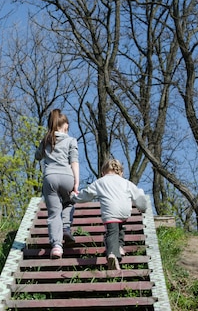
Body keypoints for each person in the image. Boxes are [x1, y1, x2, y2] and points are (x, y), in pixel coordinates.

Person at [70, 158, 147, 270]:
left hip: (111, 211)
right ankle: (119, 247)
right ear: (121, 172)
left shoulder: (101, 181)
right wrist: (142, 208)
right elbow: (138, 195)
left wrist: (74, 197)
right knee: (120, 228)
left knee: (111, 232)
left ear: (103, 172)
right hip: (125, 211)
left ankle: (112, 254)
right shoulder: (126, 183)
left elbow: (87, 194)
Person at [35, 109, 79, 259]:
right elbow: (74, 162)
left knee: (54, 213)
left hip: (50, 177)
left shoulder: (46, 139)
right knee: (68, 203)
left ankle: (56, 246)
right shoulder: (71, 140)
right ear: (65, 125)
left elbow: (37, 157)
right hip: (67, 177)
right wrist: (76, 184)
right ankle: (66, 228)